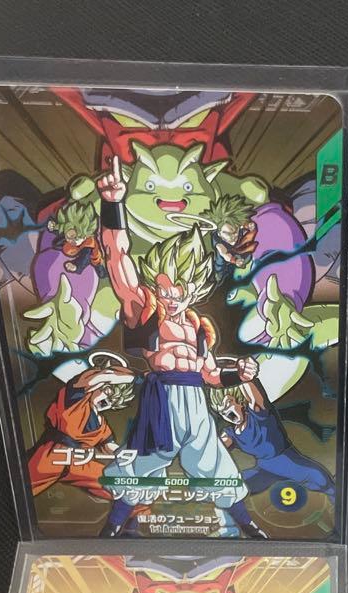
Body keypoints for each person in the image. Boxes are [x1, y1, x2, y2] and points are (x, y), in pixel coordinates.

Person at [95, 155, 265, 538]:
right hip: (163, 401)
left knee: (216, 466)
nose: (171, 295)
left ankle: (248, 524)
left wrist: (239, 373)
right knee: (142, 467)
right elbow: (118, 258)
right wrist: (112, 204)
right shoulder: (146, 309)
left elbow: (210, 374)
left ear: (195, 288)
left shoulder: (199, 327)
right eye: (165, 286)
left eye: (180, 288)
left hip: (197, 403)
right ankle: (112, 528)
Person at [26, 360, 135, 501]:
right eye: (107, 392)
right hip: (51, 455)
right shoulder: (75, 400)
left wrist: (126, 455)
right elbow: (94, 379)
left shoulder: (101, 424)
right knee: (21, 486)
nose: (107, 402)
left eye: (113, 402)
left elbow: (108, 445)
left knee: (119, 486)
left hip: (79, 462)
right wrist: (126, 377)